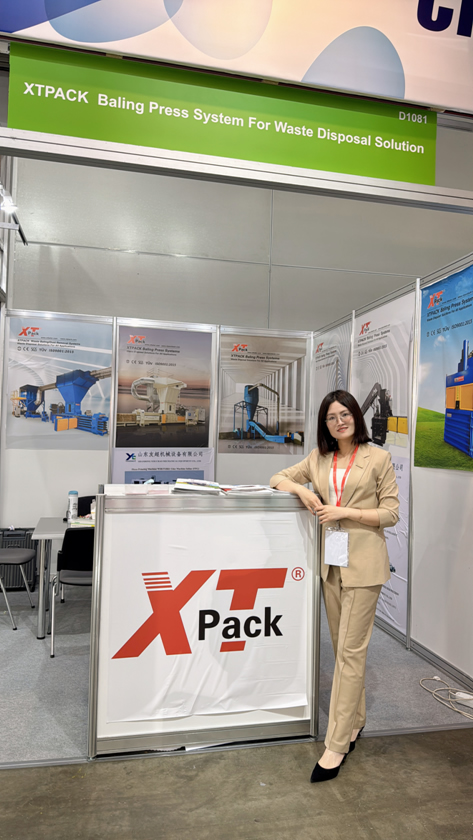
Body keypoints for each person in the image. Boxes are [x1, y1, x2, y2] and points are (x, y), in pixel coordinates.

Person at [270, 389, 399, 783]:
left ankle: (337, 743)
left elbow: (391, 513)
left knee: (349, 653)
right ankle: (355, 721)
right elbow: (277, 479)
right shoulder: (319, 458)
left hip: (365, 565)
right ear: (324, 424)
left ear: (356, 416)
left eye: (345, 414)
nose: (339, 421)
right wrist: (303, 490)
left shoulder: (378, 458)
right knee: (343, 647)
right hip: (332, 564)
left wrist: (345, 511)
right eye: (331, 417)